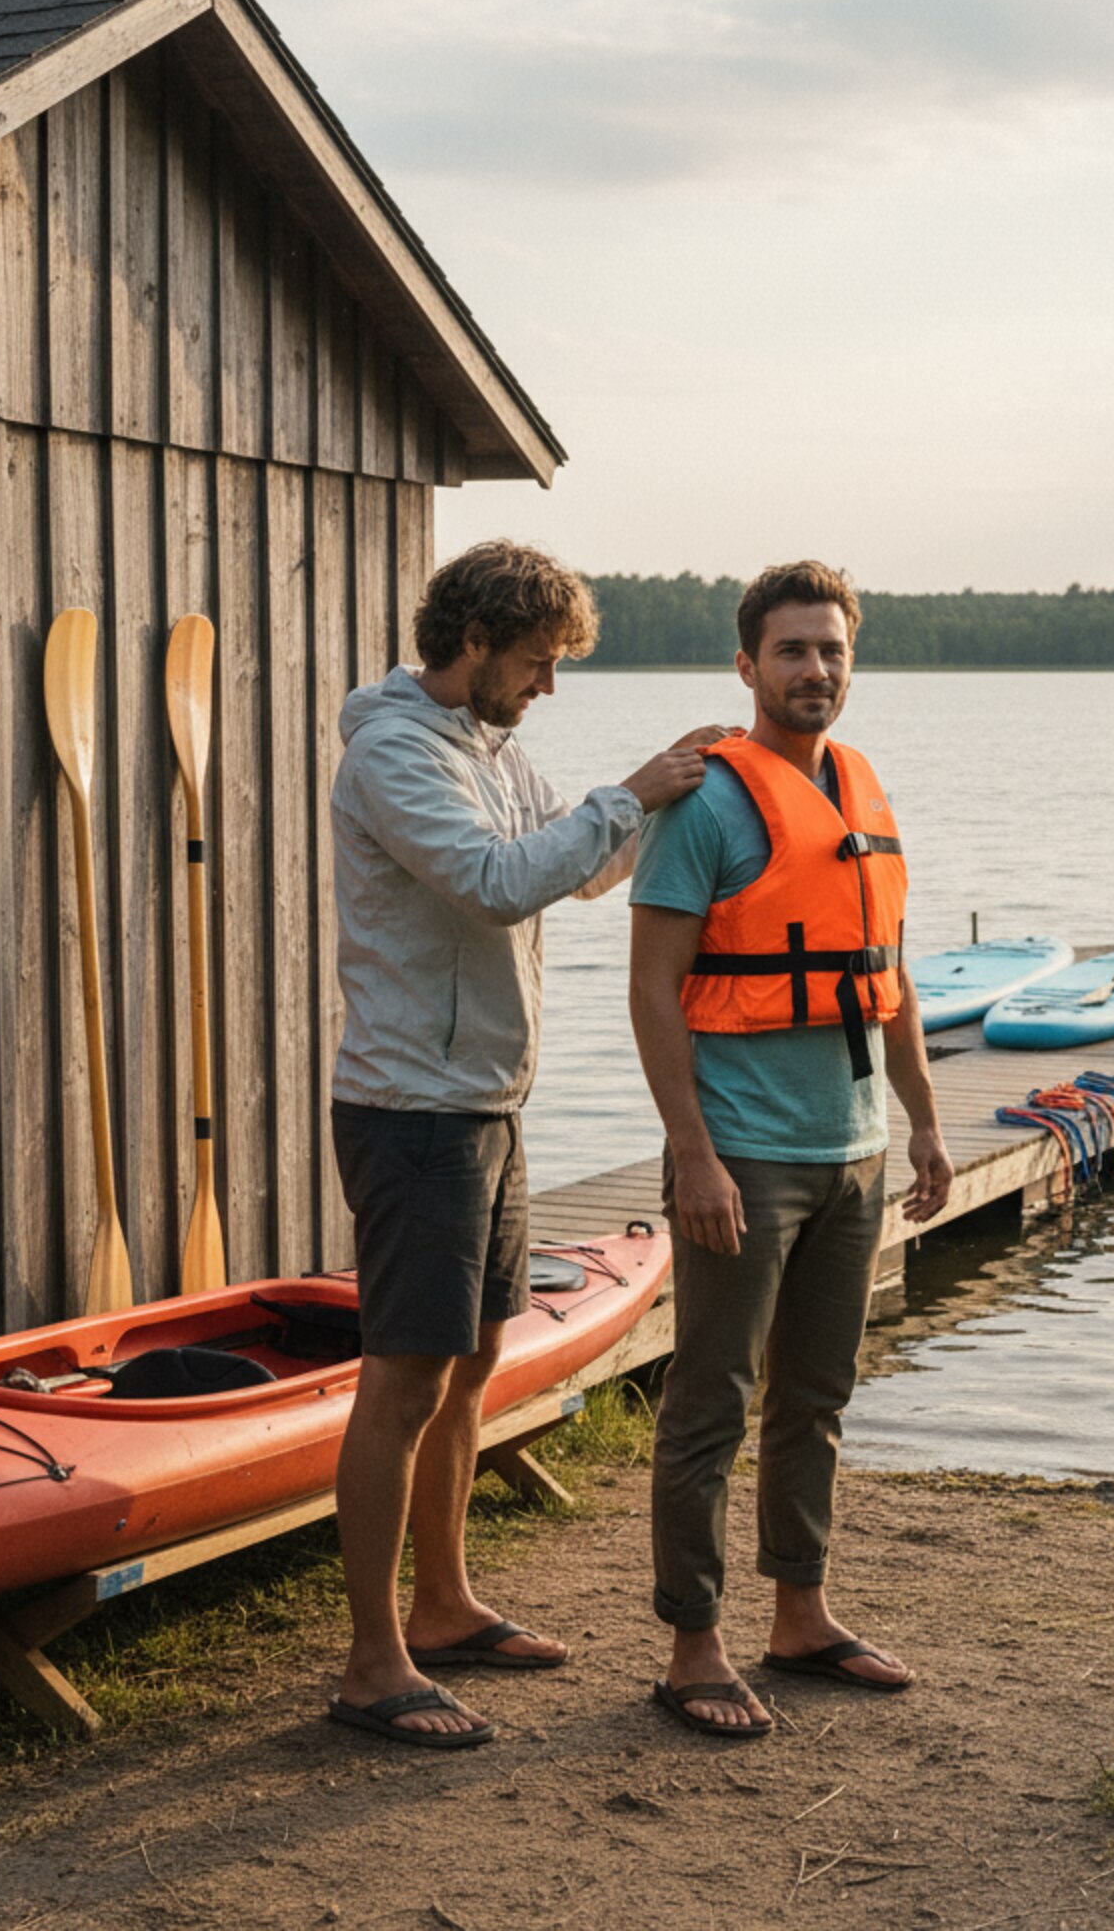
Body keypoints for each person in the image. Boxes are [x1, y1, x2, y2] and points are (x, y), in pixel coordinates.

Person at [326, 539, 721, 1748]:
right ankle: (370, 1660)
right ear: (479, 640)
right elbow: (496, 883)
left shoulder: (493, 750)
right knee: (401, 1377)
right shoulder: (393, 751)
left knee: (467, 1367)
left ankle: (441, 1606)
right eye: (538, 664)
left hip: (485, 1102)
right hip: (410, 1110)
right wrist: (631, 793)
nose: (546, 687)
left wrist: (701, 800)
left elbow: (582, 869)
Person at [629, 559, 954, 1737]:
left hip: (855, 1150)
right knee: (710, 1398)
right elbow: (653, 993)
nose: (813, 669)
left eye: (831, 649)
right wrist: (694, 1154)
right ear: (745, 664)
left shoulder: (863, 790)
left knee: (815, 1395)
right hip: (744, 1157)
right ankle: (691, 1643)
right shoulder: (704, 803)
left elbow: (891, 978)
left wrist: (921, 1121)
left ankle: (800, 1616)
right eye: (790, 650)